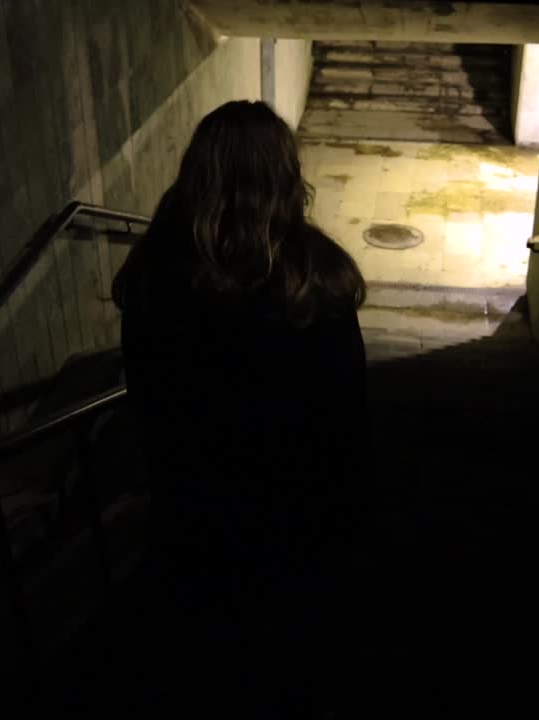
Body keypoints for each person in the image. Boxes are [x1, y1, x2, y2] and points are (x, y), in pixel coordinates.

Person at [111, 100, 373, 718]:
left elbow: (149, 405)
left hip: (192, 524)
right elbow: (346, 427)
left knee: (205, 669)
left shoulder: (155, 277)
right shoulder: (318, 282)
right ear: (283, 178)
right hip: (295, 532)